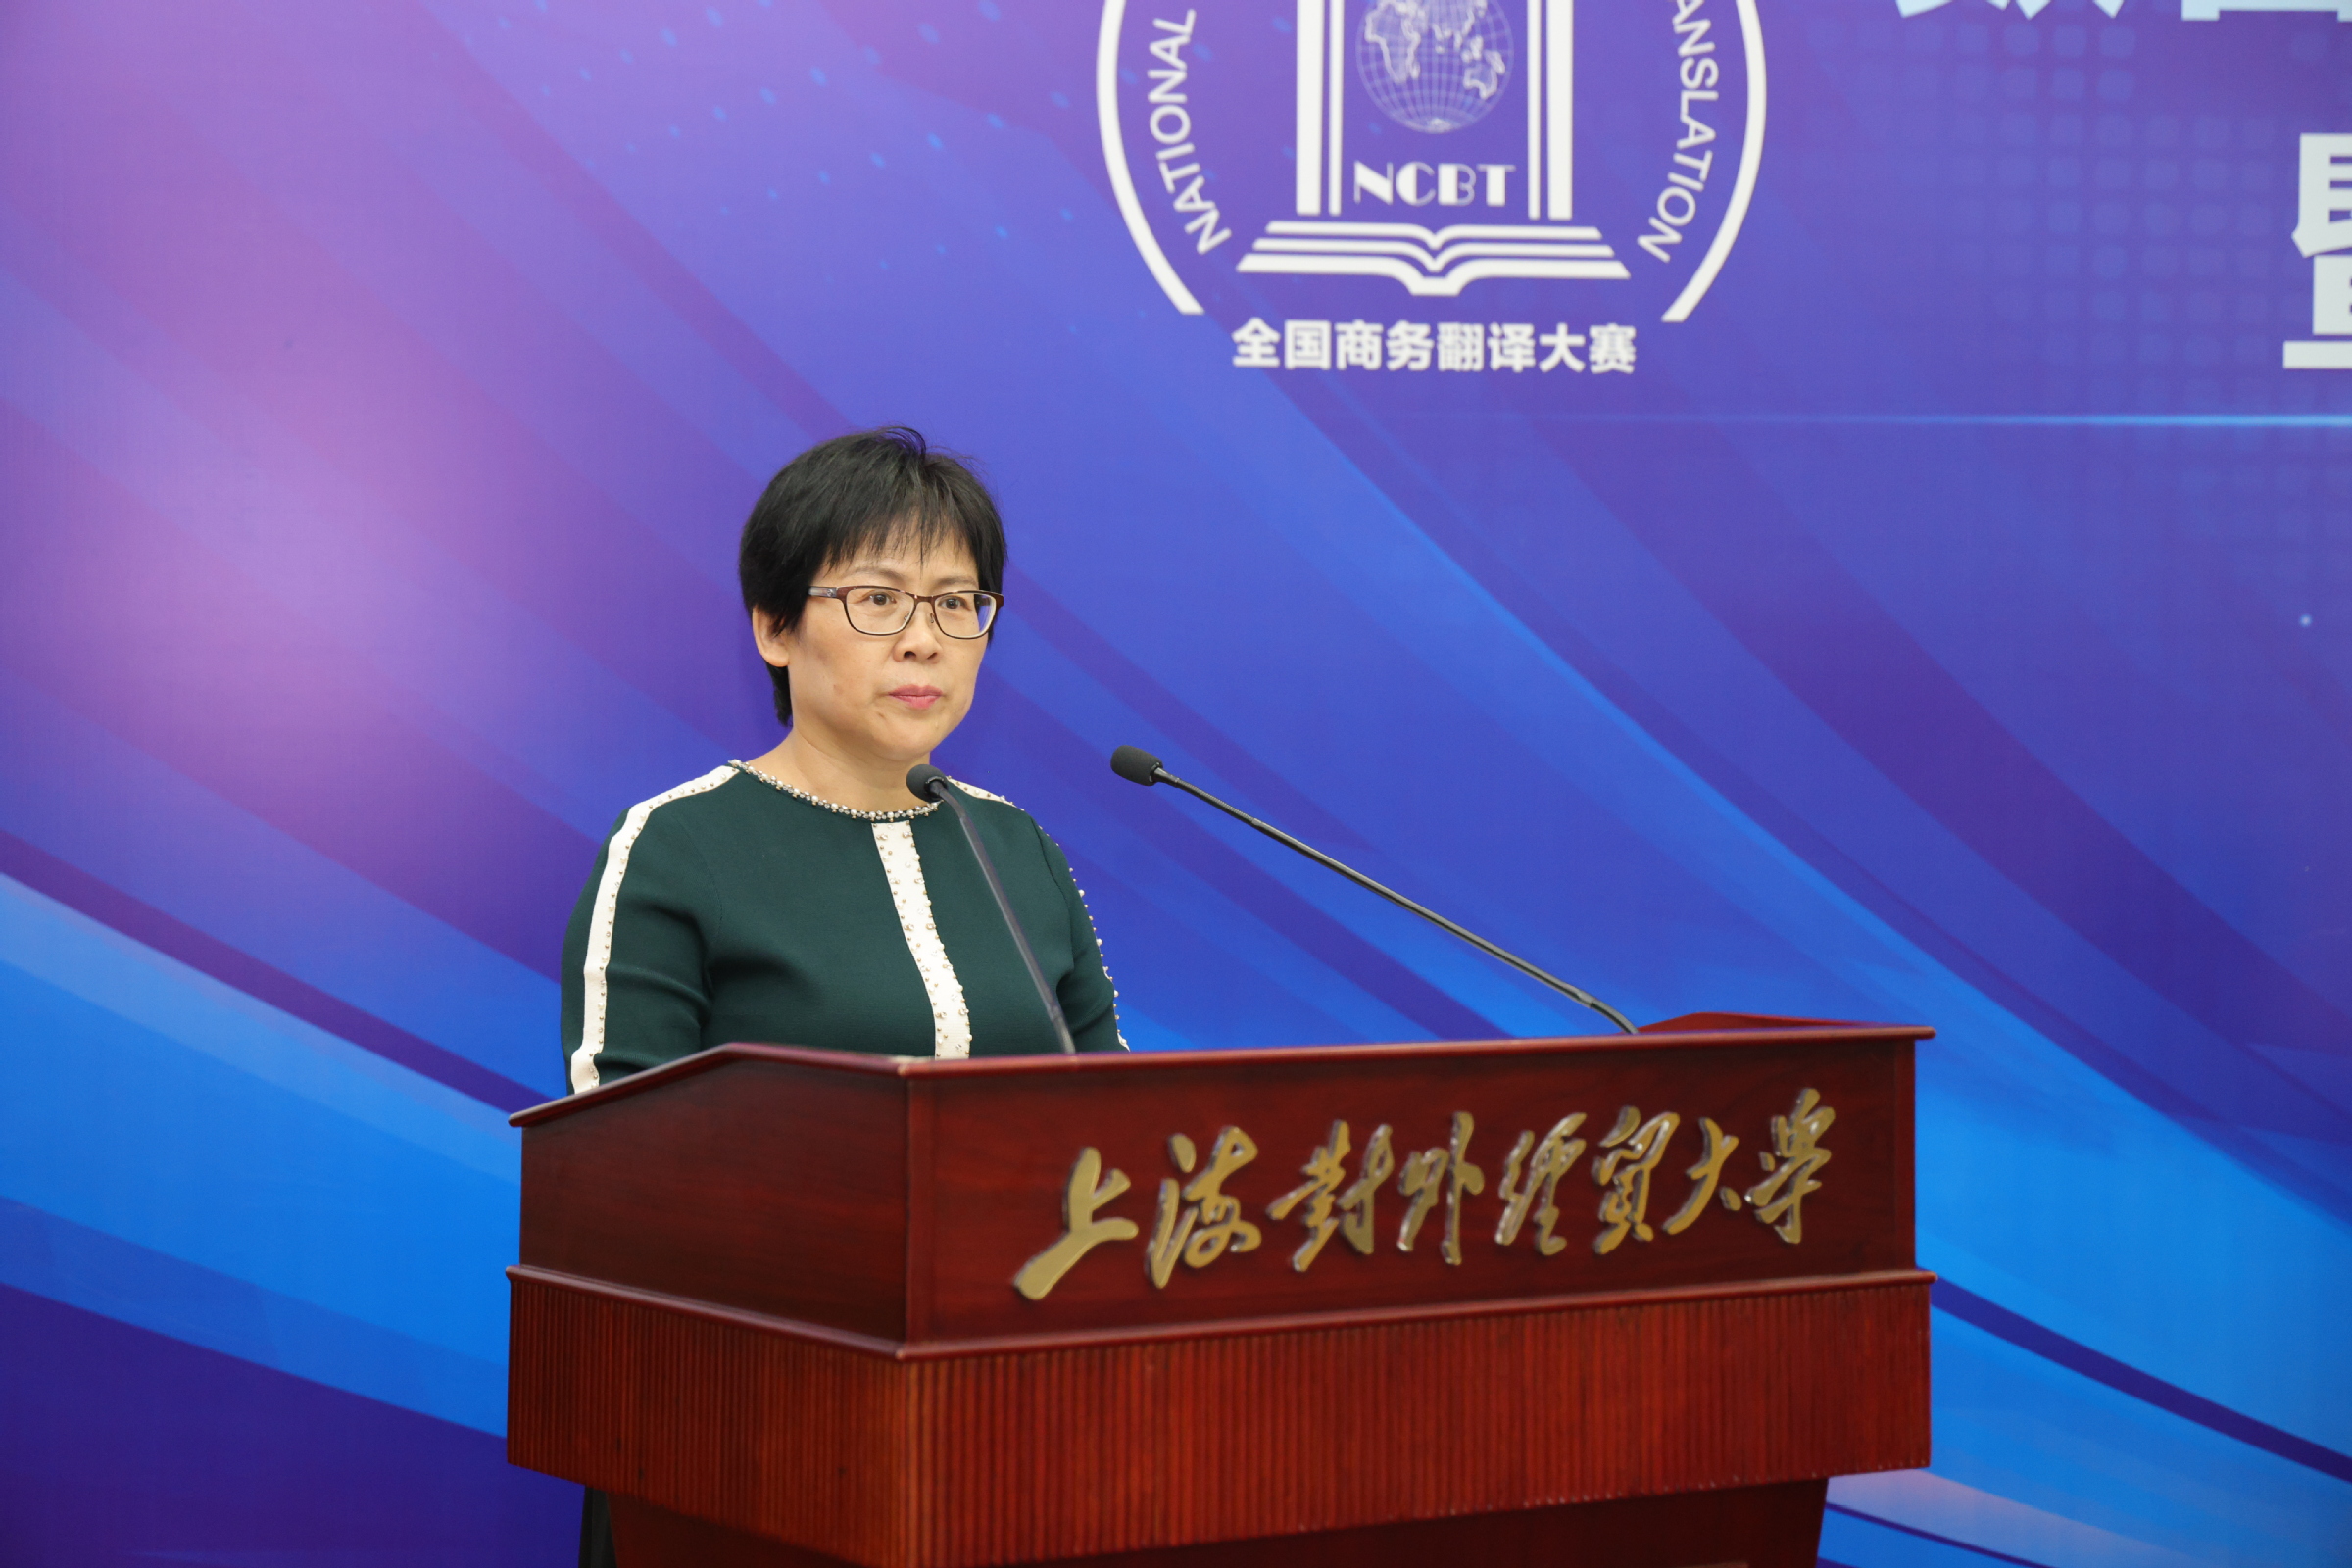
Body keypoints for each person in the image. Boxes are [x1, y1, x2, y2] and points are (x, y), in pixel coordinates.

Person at [559, 427, 1126, 1566]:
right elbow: (620, 1189)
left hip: (1013, 1435)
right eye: (877, 598)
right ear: (774, 626)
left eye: (958, 602)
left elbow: (1115, 1134)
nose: (925, 637)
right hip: (753, 1438)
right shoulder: (675, 848)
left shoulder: (1016, 847)